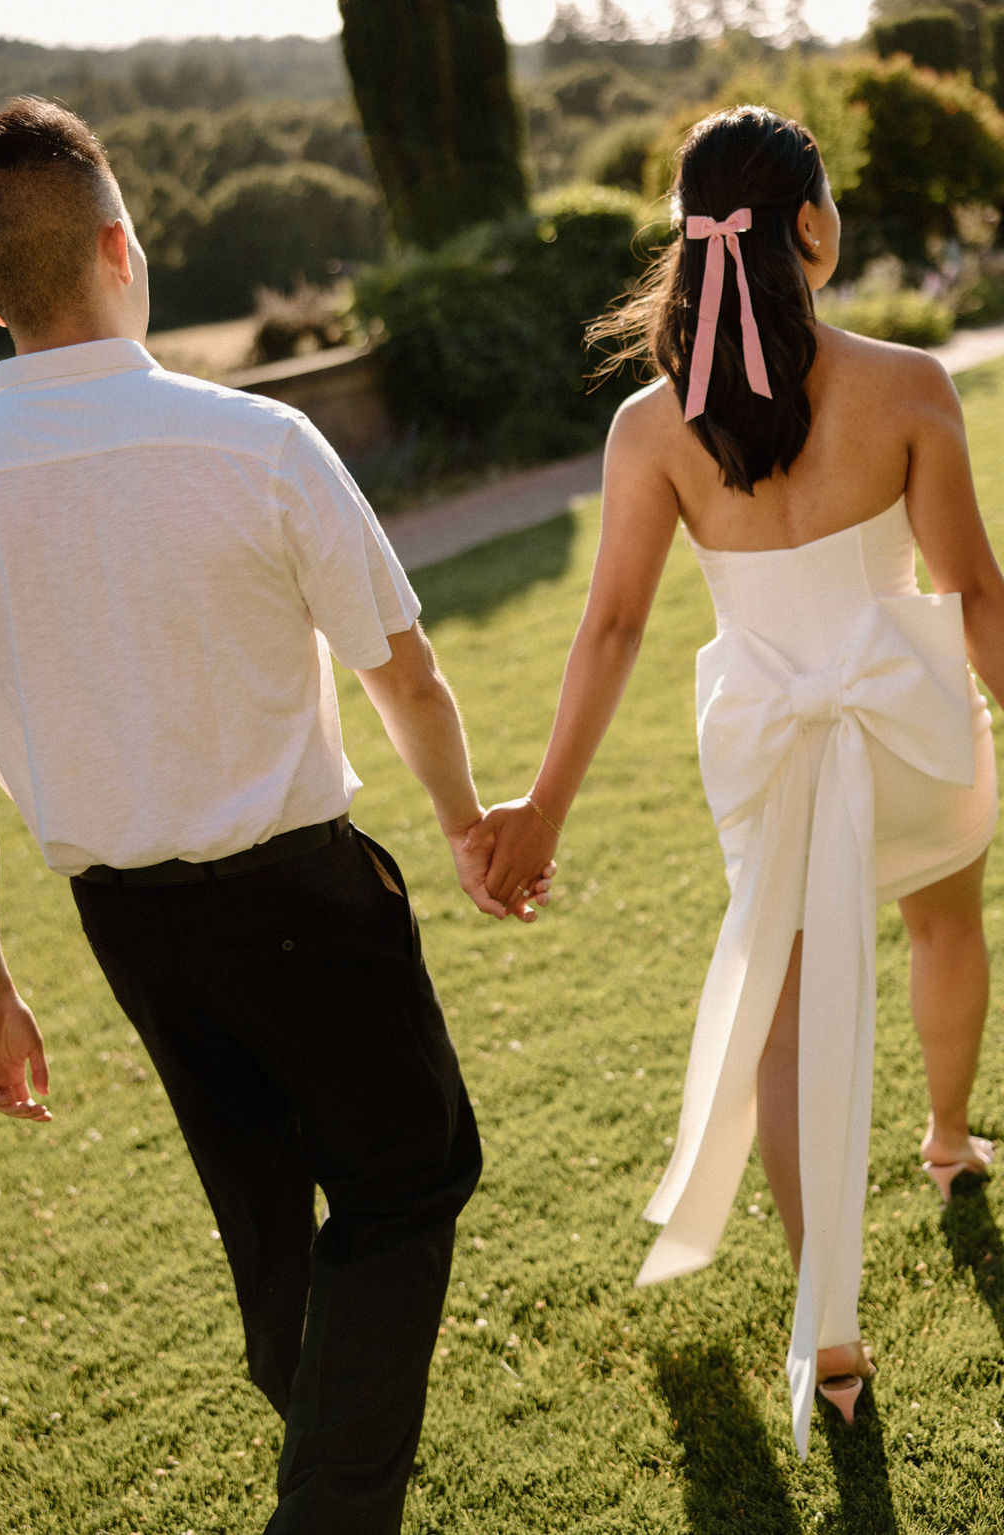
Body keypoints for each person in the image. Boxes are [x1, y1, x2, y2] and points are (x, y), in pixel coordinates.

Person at [0, 98, 551, 1534]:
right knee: (414, 1180)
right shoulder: (261, 443)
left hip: (127, 926)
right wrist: (466, 820)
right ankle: (331, 1510)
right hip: (301, 899)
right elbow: (403, 675)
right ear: (124, 246)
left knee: (262, 1203)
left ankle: (310, 1430)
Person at [477, 104, 1004, 1456]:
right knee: (947, 922)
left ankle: (831, 1335)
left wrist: (537, 814)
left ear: (689, 249)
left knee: (785, 1030)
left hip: (767, 748)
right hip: (914, 725)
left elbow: (610, 632)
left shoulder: (653, 429)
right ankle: (951, 1142)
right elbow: (976, 594)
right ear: (813, 229)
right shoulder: (909, 385)